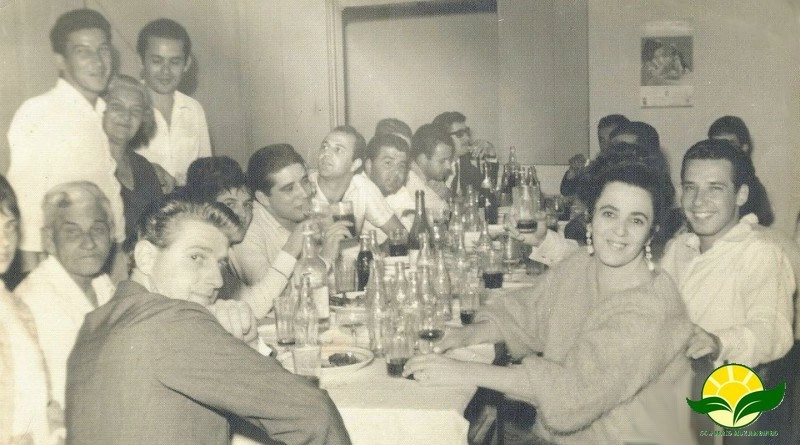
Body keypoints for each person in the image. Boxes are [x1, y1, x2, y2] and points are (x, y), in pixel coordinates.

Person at [405, 159, 695, 444]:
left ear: (652, 232)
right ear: (590, 218)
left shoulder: (651, 307)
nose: (620, 230)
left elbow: (571, 396)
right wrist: (465, 335)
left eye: (636, 220)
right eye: (609, 214)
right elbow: (525, 315)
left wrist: (461, 372)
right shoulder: (582, 265)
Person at [65, 199, 350, 444]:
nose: (216, 280)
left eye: (221, 264)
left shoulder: (94, 324)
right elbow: (313, 412)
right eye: (196, 257)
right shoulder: (173, 320)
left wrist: (248, 344)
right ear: (146, 257)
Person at [7, 9, 125, 272]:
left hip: (101, 261)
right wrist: (34, 283)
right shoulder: (39, 111)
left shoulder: (105, 113)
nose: (97, 61)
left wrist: (117, 267)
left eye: (103, 49)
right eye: (83, 51)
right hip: (55, 267)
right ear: (61, 61)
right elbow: (25, 207)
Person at [661, 139, 794, 368]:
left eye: (715, 188)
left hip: (724, 391)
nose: (698, 201)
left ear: (740, 195)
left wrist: (719, 343)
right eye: (690, 187)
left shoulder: (759, 252)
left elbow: (773, 330)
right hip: (669, 386)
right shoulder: (678, 248)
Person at [15, 182, 116, 409]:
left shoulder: (103, 285)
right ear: (49, 240)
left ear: (111, 234)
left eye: (98, 229)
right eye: (72, 232)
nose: (89, 243)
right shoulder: (33, 300)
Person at [232, 144, 351, 312]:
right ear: (263, 198)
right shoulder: (247, 230)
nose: (304, 193)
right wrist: (324, 260)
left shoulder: (310, 211)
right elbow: (275, 303)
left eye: (304, 182)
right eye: (289, 189)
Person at [0, 174, 64, 445]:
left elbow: (41, 399)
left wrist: (57, 433)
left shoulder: (17, 308)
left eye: (10, 226)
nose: (5, 241)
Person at [134, 18, 212, 187]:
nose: (166, 71)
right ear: (141, 61)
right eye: (156, 61)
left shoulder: (193, 109)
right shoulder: (126, 108)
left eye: (175, 62)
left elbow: (206, 172)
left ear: (186, 64)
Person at [103, 74, 164, 248]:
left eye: (135, 110)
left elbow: (161, 228)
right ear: (100, 109)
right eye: (117, 107)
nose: (126, 116)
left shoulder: (144, 167)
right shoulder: (88, 164)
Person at [310, 125, 405, 237]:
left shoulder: (362, 187)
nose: (326, 153)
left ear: (355, 164)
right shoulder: (304, 188)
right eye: (324, 147)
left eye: (338, 149)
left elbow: (401, 234)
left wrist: (379, 249)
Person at [708, 115, 774, 225]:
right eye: (716, 145)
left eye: (730, 144)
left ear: (744, 148)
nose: (723, 151)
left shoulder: (753, 189)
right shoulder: (705, 178)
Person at [362, 134, 415, 241]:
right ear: (369, 165)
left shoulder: (400, 193)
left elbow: (411, 238)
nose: (396, 173)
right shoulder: (358, 187)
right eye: (388, 163)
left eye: (401, 166)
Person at [560, 113, 629, 196]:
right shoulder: (600, 165)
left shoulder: (634, 167)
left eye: (611, 139)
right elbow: (566, 192)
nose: (606, 145)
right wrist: (573, 171)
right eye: (602, 140)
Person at [432, 111, 495, 193]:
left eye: (466, 131)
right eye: (460, 133)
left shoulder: (464, 161)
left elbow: (487, 189)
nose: (467, 138)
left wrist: (491, 152)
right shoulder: (434, 167)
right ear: (444, 138)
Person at [407, 123, 455, 213]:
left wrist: (448, 195)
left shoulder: (432, 179)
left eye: (449, 159)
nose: (448, 167)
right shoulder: (411, 181)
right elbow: (443, 212)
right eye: (442, 161)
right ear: (422, 159)